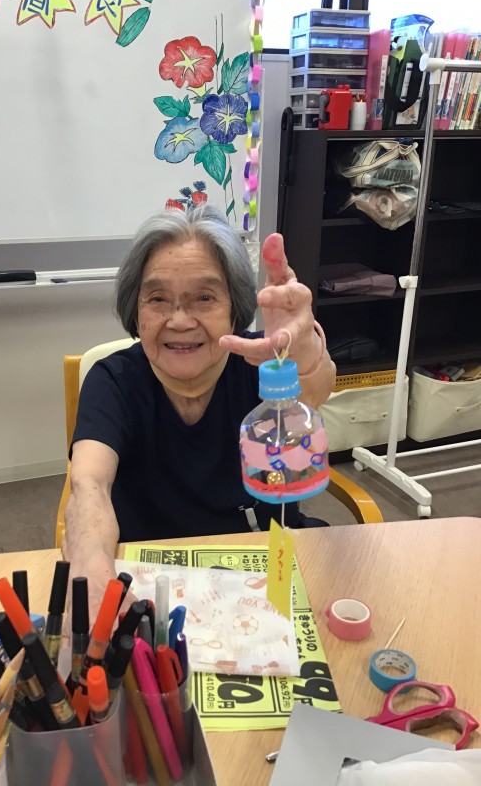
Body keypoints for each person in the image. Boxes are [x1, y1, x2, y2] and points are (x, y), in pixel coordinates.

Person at [63, 206, 336, 617]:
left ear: (234, 308)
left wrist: (303, 353)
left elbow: (317, 387)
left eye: (204, 298)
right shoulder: (113, 381)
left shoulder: (263, 361)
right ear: (135, 309)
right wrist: (89, 568)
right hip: (150, 583)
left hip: (264, 572)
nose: (179, 321)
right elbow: (89, 485)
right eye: (158, 299)